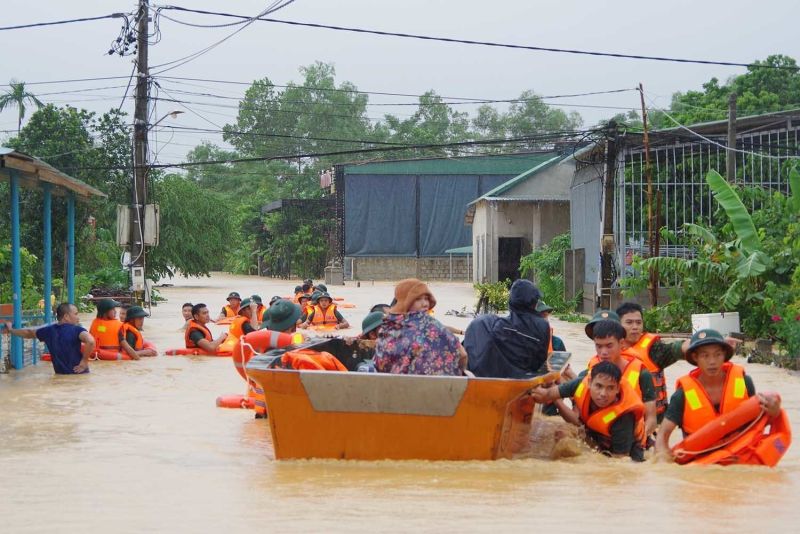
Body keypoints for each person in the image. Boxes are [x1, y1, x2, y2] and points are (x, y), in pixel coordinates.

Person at [655, 329, 782, 459]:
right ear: (695, 357)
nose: (712, 361)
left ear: (725, 355)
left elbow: (758, 422)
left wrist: (774, 412)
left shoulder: (744, 383)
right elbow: (662, 435)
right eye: (705, 356)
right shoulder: (682, 395)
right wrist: (662, 461)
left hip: (741, 457)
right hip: (702, 464)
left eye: (717, 354)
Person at [534, 318, 658, 437]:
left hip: (625, 438)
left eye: (609, 346)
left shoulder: (642, 373)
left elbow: (651, 419)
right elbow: (577, 421)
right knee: (562, 435)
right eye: (599, 346)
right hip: (595, 435)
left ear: (621, 344)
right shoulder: (588, 375)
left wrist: (639, 439)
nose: (603, 352)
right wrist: (553, 396)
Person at [535, 360, 646, 461]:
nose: (603, 394)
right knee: (562, 435)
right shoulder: (579, 384)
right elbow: (547, 394)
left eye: (610, 388)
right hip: (596, 435)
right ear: (589, 383)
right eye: (599, 386)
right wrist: (536, 388)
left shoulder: (623, 417)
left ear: (617, 389)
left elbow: (620, 461)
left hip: (628, 452)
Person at [374, 278, 467, 376]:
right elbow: (462, 355)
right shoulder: (431, 324)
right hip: (437, 387)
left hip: (394, 387)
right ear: (406, 301)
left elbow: (380, 363)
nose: (425, 304)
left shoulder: (387, 326)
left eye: (426, 298)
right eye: (417, 299)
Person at [464, 279, 551, 378]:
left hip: (486, 383)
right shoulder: (542, 326)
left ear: (511, 303)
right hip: (524, 383)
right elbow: (538, 362)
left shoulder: (485, 324)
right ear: (535, 303)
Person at [3, 303, 94, 374]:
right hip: (80, 374)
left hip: (61, 375)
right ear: (66, 316)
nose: (78, 317)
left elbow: (28, 333)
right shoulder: (77, 330)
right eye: (76, 314)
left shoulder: (48, 331)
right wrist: (84, 361)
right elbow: (90, 341)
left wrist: (11, 330)